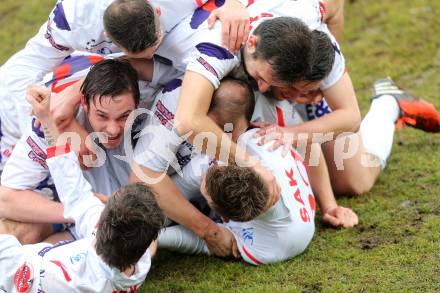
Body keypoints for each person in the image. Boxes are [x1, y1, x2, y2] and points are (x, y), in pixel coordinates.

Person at [0, 0, 250, 172]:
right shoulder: (75, 16)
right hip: (107, 72)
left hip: (169, 57)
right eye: (137, 53)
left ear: (158, 13)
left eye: (155, 44)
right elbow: (22, 71)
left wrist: (233, 3)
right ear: (107, 39)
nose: (148, 54)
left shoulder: (185, 17)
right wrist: (51, 129)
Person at [0, 90, 165, 290]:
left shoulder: (32, 269)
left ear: (99, 222)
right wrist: (47, 119)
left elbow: (71, 183)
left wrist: (46, 119)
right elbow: (74, 188)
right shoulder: (139, 264)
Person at [0, 58, 146, 243]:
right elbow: (6, 200)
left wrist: (73, 93)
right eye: (101, 116)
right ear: (84, 104)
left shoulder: (148, 97)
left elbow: (144, 58)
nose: (113, 129)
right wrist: (80, 208)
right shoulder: (48, 117)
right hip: (8, 113)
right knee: (14, 235)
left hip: (72, 82)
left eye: (124, 116)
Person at [253, 77, 440, 198]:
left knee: (353, 182)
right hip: (257, 85)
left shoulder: (307, 21)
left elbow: (350, 118)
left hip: (298, 78)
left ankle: (388, 104)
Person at [159, 128, 316, 265]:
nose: (202, 177)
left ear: (223, 217)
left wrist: (156, 238)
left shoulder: (271, 248)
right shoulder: (260, 142)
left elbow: (217, 242)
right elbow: (312, 145)